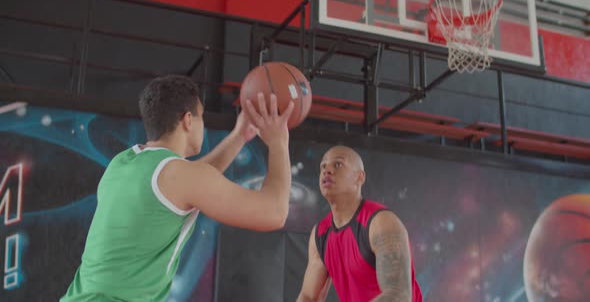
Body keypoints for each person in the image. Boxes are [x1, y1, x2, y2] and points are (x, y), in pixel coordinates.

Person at [61, 75, 294, 301]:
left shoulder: (123, 163)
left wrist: (239, 136)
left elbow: (194, 181)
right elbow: (274, 213)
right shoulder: (180, 176)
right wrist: (279, 144)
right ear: (188, 120)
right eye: (202, 117)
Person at [297, 145, 423, 302]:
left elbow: (398, 295)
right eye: (323, 166)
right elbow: (309, 297)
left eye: (338, 164)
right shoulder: (320, 234)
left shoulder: (381, 223)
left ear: (359, 177)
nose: (327, 170)